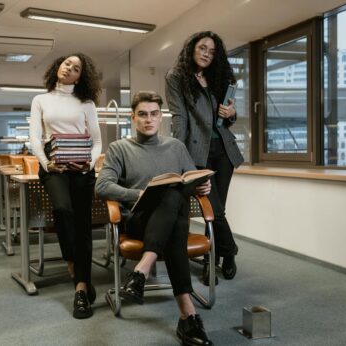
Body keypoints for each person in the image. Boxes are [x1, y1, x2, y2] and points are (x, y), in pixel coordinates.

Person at [96, 91, 213, 346]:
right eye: (143, 115)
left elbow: (192, 180)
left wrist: (203, 187)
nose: (149, 119)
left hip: (170, 225)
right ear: (133, 117)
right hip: (138, 220)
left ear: (161, 117)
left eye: (154, 114)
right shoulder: (119, 148)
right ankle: (188, 318)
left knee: (173, 198)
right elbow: (102, 186)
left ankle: (142, 273)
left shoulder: (176, 147)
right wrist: (140, 193)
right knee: (171, 200)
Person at [165, 31, 244, 285]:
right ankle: (228, 251)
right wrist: (179, 152)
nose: (206, 54)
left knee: (216, 210)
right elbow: (180, 117)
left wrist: (232, 113)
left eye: (211, 51)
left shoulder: (220, 78)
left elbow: (227, 120)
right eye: (202, 48)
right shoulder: (177, 77)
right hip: (198, 153)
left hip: (225, 152)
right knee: (214, 209)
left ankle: (214, 260)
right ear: (191, 49)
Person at [29, 53, 102, 319]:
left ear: (81, 76)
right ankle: (73, 264)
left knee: (83, 223)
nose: (69, 68)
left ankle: (81, 288)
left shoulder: (87, 103)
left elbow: (97, 143)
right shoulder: (41, 100)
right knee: (63, 209)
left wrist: (89, 165)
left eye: (76, 68)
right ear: (58, 67)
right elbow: (35, 138)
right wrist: (46, 163)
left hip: (81, 165)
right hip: (53, 163)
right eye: (66, 64)